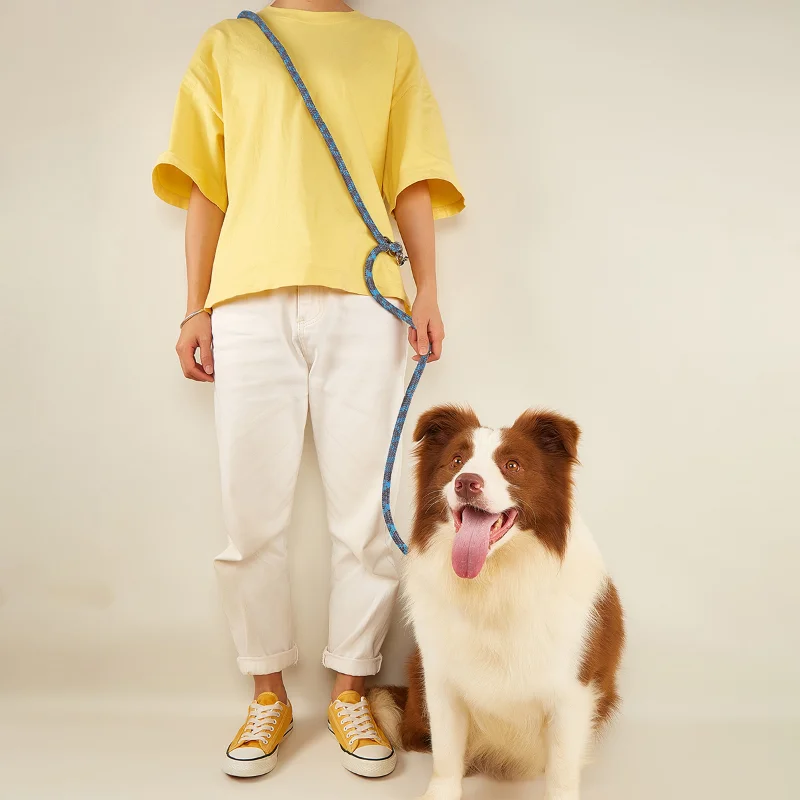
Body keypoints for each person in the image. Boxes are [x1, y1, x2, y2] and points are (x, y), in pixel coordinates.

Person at [152, 0, 463, 779]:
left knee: (366, 516)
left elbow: (410, 177)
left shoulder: (388, 46)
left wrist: (428, 288)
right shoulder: (229, 44)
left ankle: (350, 692)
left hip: (365, 301)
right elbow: (207, 186)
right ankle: (267, 695)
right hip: (247, 303)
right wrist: (195, 305)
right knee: (248, 514)